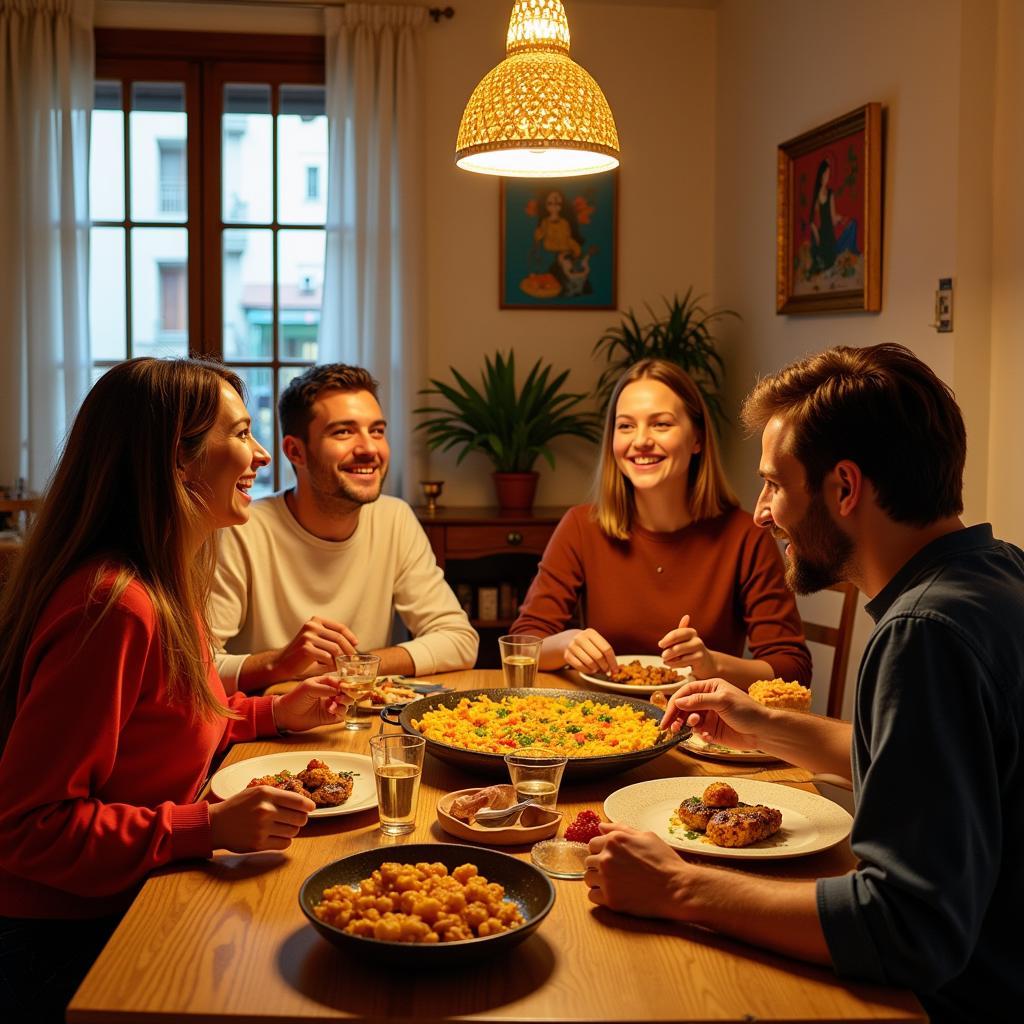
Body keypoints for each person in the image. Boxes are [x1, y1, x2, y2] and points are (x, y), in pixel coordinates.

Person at [584, 343, 1024, 1023]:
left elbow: (906, 928)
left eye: (775, 484)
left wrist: (676, 887)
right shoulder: (996, 572)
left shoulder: (924, 632)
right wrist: (769, 725)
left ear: (844, 488)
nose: (762, 512)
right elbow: (937, 776)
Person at [0, 358, 354, 1022]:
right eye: (241, 433)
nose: (257, 454)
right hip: (69, 938)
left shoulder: (164, 585)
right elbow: (25, 828)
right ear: (177, 461)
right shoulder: (112, 607)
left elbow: (165, 721)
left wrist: (273, 712)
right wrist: (206, 826)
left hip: (136, 892)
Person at [511, 359, 811, 688]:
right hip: (603, 725)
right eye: (625, 426)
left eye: (661, 424)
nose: (641, 440)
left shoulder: (745, 536)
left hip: (704, 727)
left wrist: (712, 664)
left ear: (697, 438)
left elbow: (792, 669)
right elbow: (523, 644)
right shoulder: (581, 526)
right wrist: (566, 644)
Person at [209, 364, 478, 693]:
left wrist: (351, 666)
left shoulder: (394, 518)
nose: (369, 449)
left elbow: (460, 640)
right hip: (268, 727)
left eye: (377, 431)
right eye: (343, 432)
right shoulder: (242, 528)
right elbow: (199, 666)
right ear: (296, 451)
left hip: (360, 719)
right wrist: (280, 663)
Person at [808, 157, 858, 274]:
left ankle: (823, 260)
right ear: (821, 175)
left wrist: (841, 219)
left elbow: (831, 219)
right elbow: (825, 220)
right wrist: (841, 219)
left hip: (825, 239)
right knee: (852, 226)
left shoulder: (823, 194)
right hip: (827, 240)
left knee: (851, 225)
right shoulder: (828, 194)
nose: (827, 177)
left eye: (829, 174)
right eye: (826, 174)